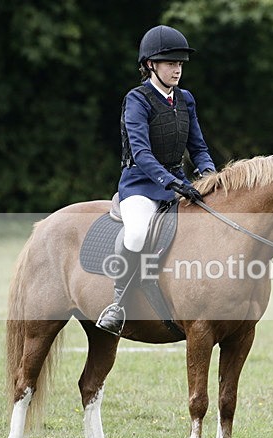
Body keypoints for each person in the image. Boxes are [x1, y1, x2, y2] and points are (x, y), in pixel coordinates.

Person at [97, 25, 216, 335]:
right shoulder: (137, 100)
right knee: (136, 234)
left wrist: (209, 174)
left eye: (179, 64)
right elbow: (141, 153)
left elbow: (198, 147)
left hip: (176, 181)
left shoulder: (186, 99)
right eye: (169, 63)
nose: (177, 70)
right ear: (151, 64)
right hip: (140, 184)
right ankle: (118, 304)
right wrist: (171, 182)